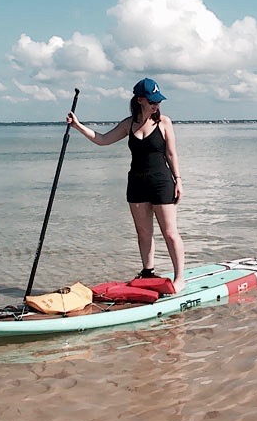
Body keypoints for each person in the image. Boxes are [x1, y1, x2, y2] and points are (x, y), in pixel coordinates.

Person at [67, 78, 187, 293]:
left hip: (161, 182)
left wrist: (178, 180)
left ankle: (180, 278)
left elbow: (171, 153)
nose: (156, 105)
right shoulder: (128, 124)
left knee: (170, 233)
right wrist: (77, 126)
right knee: (143, 232)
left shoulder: (164, 122)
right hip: (136, 183)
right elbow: (102, 139)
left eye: (158, 101)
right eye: (152, 101)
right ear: (140, 100)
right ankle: (148, 272)